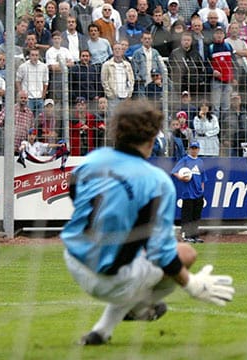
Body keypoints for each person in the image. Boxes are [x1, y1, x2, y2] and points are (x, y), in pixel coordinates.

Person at [61, 101, 234, 346]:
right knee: (185, 252)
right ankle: (140, 306)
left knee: (135, 249)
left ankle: (100, 332)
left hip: (75, 261)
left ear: (116, 132)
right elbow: (162, 253)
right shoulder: (156, 181)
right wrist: (192, 284)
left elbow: (74, 188)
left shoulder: (93, 160)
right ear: (153, 138)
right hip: (111, 281)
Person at [172, 141, 208, 243]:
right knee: (187, 215)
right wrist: (181, 177)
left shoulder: (200, 162)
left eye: (196, 148)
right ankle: (186, 235)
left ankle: (195, 236)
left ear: (198, 149)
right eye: (192, 148)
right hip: (188, 192)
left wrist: (202, 190)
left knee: (196, 216)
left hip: (198, 193)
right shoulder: (185, 160)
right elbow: (174, 171)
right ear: (189, 149)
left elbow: (203, 178)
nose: (194, 150)